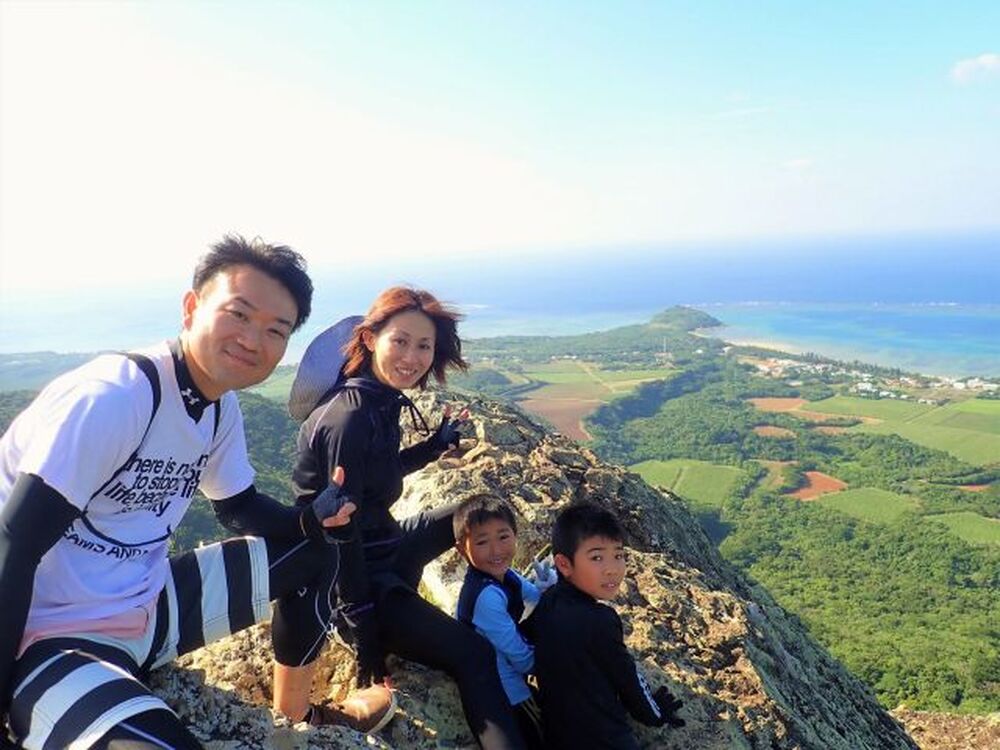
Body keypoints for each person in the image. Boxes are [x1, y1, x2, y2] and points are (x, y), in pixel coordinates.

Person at [0, 235, 374, 750]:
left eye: (275, 330)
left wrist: (310, 520)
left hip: (148, 602)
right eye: (239, 314)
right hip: (51, 632)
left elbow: (237, 507)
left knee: (315, 553)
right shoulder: (115, 397)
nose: (253, 340)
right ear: (192, 306)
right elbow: (13, 543)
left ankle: (295, 713)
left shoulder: (217, 407)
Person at [276, 286, 527, 749]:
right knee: (474, 655)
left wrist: (433, 446)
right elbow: (342, 534)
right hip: (353, 580)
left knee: (472, 513)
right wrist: (365, 632)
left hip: (384, 547)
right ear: (371, 339)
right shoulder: (349, 419)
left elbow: (379, 474)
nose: (412, 357)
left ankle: (499, 596)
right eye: (401, 341)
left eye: (424, 346)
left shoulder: (379, 399)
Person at [526, 503, 686, 749]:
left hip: (557, 737)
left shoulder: (547, 602)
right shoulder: (600, 620)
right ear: (564, 564)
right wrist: (656, 713)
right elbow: (627, 679)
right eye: (597, 557)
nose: (612, 569)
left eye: (618, 556)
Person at [453, 494, 552, 750]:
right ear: (462, 549)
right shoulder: (485, 596)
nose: (496, 551)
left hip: (512, 672)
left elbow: (536, 597)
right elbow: (520, 656)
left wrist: (549, 587)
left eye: (503, 537)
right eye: (482, 542)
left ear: (516, 535)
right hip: (505, 688)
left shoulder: (506, 575)